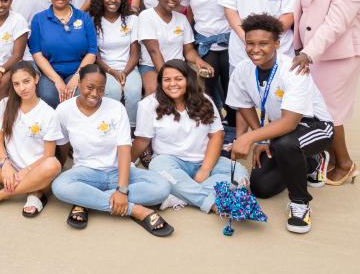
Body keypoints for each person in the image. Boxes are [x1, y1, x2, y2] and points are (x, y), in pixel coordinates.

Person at [228, 14, 334, 234]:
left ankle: (300, 204)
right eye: (250, 43)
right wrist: (262, 137)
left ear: (277, 43)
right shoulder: (242, 70)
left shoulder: (293, 69)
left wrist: (249, 137)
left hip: (315, 126)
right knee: (261, 187)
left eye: (263, 43)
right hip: (280, 130)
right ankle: (310, 164)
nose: (255, 49)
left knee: (286, 144)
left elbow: (290, 122)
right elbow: (243, 105)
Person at [51, 64, 173, 235]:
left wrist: (122, 190)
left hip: (119, 171)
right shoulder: (64, 110)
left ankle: (86, 200)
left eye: (101, 89)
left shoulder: (116, 108)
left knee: (162, 188)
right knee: (60, 186)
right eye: (90, 87)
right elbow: (62, 145)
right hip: (86, 173)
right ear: (79, 84)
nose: (95, 94)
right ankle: (136, 210)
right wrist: (61, 168)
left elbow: (124, 150)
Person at [132, 59, 249, 213]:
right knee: (157, 168)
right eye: (167, 80)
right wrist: (125, 164)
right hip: (169, 162)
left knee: (241, 176)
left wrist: (205, 170)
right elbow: (142, 140)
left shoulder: (205, 100)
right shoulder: (148, 105)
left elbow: (217, 136)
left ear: (188, 80)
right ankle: (212, 203)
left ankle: (180, 194)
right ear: (160, 83)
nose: (172, 84)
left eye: (178, 79)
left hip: (205, 160)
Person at [293, 0, 360, 185]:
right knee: (319, 108)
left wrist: (308, 53)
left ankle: (345, 164)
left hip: (338, 56)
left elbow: (336, 22)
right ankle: (332, 158)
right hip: (316, 54)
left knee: (330, 112)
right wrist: (300, 46)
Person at [0, 61, 62, 215]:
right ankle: (33, 193)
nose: (22, 88)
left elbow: (48, 155)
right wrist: (5, 164)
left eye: (26, 81)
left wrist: (26, 171)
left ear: (36, 79)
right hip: (10, 171)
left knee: (53, 165)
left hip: (37, 171)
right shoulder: (5, 104)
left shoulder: (49, 113)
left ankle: (1, 194)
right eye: (17, 84)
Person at [138, 0, 213, 95]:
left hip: (179, 66)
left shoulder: (182, 19)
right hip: (151, 66)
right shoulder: (146, 16)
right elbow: (154, 51)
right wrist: (168, 77)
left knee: (195, 93)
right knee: (154, 93)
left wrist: (199, 61)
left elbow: (188, 51)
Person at [29, 0, 97, 109]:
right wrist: (57, 79)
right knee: (48, 96)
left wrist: (78, 76)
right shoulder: (39, 19)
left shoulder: (84, 18)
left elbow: (92, 51)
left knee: (79, 96)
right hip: (50, 73)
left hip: (78, 71)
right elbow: (36, 52)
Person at [187, 0, 235, 127]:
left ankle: (234, 127)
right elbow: (189, 12)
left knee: (233, 88)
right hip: (206, 44)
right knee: (207, 90)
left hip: (230, 42)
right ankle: (214, 127)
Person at [89, 0, 141, 126]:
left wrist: (124, 72)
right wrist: (112, 72)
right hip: (105, 68)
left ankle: (131, 129)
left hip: (129, 68)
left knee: (133, 92)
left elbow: (135, 53)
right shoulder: (93, 21)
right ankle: (111, 126)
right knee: (112, 92)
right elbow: (96, 56)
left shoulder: (132, 19)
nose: (113, 0)